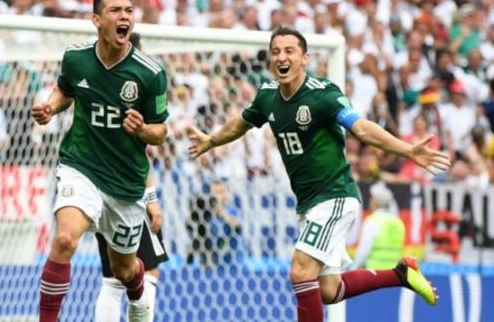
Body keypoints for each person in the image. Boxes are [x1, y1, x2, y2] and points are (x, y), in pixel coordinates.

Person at [188, 26, 450, 322]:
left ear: (304, 59)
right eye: (276, 52)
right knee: (328, 289)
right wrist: (211, 140)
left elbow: (361, 128)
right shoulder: (267, 96)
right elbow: (242, 123)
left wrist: (408, 150)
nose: (281, 57)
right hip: (309, 203)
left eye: (289, 51)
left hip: (335, 195)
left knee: (300, 270)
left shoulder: (323, 94)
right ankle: (400, 274)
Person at [31, 0, 169, 322]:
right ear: (97, 20)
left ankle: (138, 293)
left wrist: (141, 129)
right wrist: (51, 107)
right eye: (115, 10)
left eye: (128, 11)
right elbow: (65, 90)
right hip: (82, 166)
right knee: (64, 240)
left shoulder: (150, 74)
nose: (124, 16)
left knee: (124, 271)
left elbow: (161, 132)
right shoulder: (76, 58)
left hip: (124, 184)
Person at [93, 32, 169, 322]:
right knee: (148, 271)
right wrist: (152, 200)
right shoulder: (134, 94)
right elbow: (139, 154)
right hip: (128, 195)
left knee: (112, 278)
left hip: (97, 188)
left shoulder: (99, 91)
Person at [352, 182, 405, 269]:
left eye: (371, 198)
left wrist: (354, 267)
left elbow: (364, 251)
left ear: (375, 201)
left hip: (375, 273)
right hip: (394, 273)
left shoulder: (372, 221)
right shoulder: (398, 222)